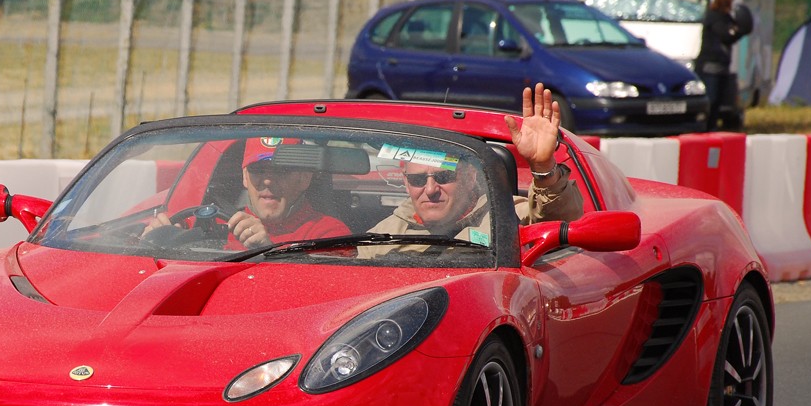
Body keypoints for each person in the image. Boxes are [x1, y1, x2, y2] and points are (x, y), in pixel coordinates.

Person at [360, 82, 584, 256]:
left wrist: (543, 166)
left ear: (470, 176)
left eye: (444, 176)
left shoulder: (509, 217)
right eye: (417, 180)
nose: (430, 189)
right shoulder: (378, 241)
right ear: (405, 182)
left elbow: (562, 224)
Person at [145, 137, 351, 250]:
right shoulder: (214, 226)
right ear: (245, 177)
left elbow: (327, 294)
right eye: (257, 170)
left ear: (304, 178)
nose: (267, 180)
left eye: (281, 171)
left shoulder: (329, 235)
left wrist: (268, 250)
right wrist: (151, 242)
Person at [694, 0, 744, 131]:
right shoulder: (714, 16)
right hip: (710, 66)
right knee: (711, 100)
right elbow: (725, 35)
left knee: (718, 102)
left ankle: (712, 127)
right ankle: (705, 128)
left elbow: (731, 35)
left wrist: (738, 30)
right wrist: (737, 31)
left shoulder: (725, 17)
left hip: (721, 66)